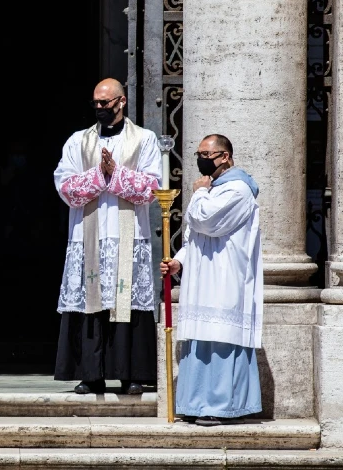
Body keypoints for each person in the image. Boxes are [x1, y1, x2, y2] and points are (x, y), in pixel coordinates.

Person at [53, 78, 161, 395]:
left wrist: (116, 173)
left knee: (127, 300)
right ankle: (91, 374)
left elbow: (151, 188)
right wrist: (103, 173)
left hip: (130, 235)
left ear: (121, 101)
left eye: (105, 102)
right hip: (88, 235)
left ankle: (131, 374)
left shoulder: (145, 139)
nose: (100, 108)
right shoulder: (78, 142)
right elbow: (65, 187)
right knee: (91, 301)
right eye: (96, 103)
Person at [160, 134, 263, 426]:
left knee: (221, 337)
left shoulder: (239, 190)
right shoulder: (214, 189)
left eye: (207, 153)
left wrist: (198, 194)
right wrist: (179, 260)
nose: (201, 158)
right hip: (204, 277)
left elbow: (207, 221)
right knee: (201, 339)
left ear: (226, 157)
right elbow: (196, 237)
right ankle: (194, 402)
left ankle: (221, 406)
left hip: (225, 276)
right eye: (199, 153)